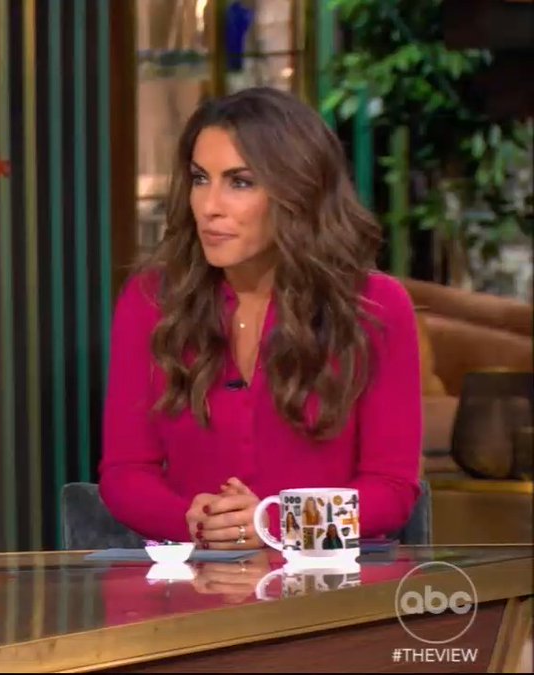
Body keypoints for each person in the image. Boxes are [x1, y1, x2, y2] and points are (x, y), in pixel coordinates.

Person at [99, 87, 422, 550]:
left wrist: (279, 523)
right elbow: (125, 473)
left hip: (330, 581)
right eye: (200, 179)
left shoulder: (375, 306)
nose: (209, 206)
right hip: (197, 580)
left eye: (240, 182)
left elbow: (391, 490)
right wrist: (195, 522)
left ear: (297, 191)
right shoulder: (152, 301)